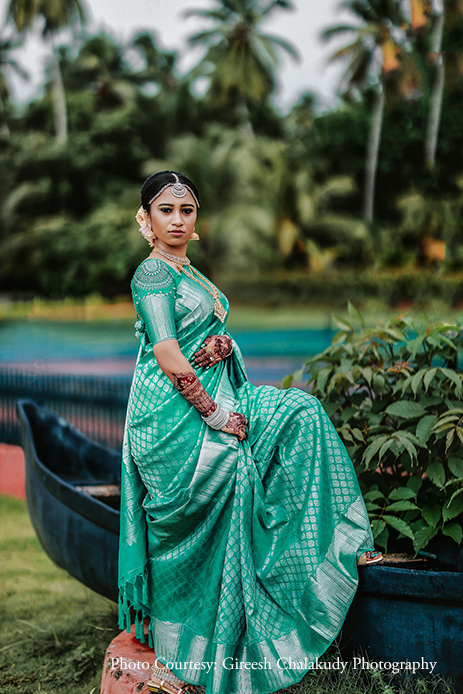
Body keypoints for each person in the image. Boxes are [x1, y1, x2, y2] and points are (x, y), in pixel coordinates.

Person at [118, 170, 382, 694]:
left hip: (214, 395)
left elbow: (199, 341)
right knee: (240, 461)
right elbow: (167, 351)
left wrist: (221, 347)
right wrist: (214, 414)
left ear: (196, 219)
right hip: (173, 418)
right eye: (165, 210)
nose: (176, 220)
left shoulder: (187, 271)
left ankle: (331, 547)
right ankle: (187, 643)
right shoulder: (152, 275)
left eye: (186, 210)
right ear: (145, 220)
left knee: (301, 413)